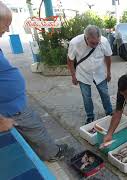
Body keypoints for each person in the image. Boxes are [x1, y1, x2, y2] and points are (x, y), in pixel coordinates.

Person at [0, 1, 67, 162]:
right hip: (10, 109)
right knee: (36, 130)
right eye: (5, 25)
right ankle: (52, 154)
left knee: (36, 128)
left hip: (15, 104)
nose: (8, 29)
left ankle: (49, 151)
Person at [67, 25, 113, 124]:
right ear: (86, 38)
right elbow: (70, 60)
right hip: (83, 73)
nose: (96, 45)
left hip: (100, 73)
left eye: (97, 42)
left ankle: (109, 113)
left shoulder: (104, 41)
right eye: (93, 43)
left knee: (105, 94)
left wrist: (108, 72)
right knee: (86, 97)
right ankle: (90, 116)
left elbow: (108, 57)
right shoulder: (75, 43)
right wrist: (73, 75)